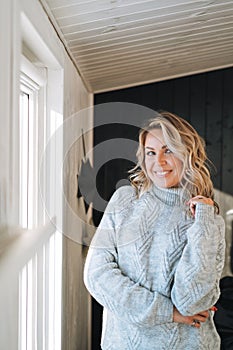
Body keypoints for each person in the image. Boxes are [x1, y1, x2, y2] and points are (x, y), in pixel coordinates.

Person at [84, 111, 226, 350]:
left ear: (188, 154)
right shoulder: (125, 201)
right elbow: (96, 275)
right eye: (151, 152)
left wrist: (203, 220)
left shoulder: (206, 219)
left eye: (168, 150)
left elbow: (192, 302)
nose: (158, 162)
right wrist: (167, 312)